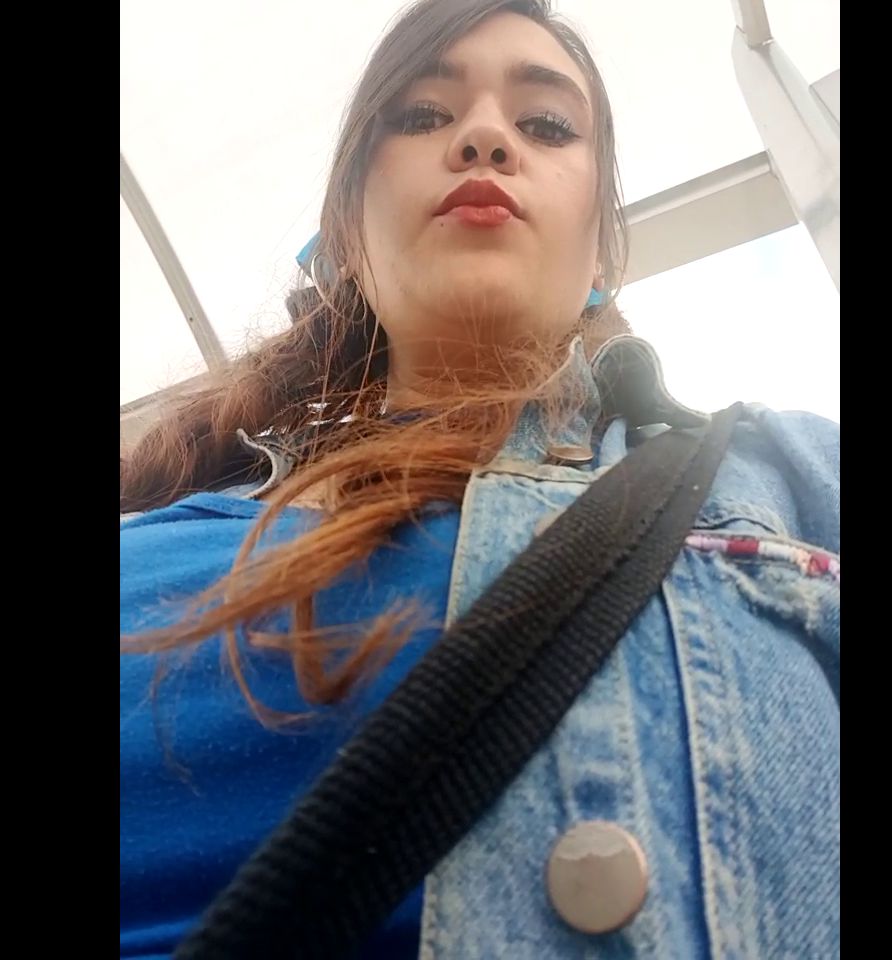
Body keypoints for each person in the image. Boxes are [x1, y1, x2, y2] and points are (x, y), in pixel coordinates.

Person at [120, 1, 840, 957]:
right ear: (345, 235)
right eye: (423, 115)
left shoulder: (793, 476)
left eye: (546, 125)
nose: (486, 137)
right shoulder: (143, 536)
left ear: (602, 251)